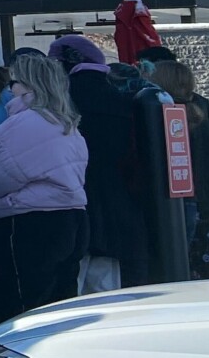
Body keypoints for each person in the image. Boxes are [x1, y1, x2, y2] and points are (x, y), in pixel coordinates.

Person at [0, 50, 89, 328]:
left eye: (14, 82)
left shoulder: (22, 125)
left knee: (19, 311)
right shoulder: (67, 124)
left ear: (29, 86)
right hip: (74, 217)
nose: (9, 89)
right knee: (61, 305)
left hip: (29, 223)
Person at [51, 35, 147, 293]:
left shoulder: (61, 101)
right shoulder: (123, 98)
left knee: (72, 289)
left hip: (75, 200)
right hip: (119, 200)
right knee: (107, 288)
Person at [148, 57, 209, 280]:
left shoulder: (163, 114)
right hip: (205, 198)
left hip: (179, 200)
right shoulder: (201, 110)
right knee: (202, 267)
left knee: (175, 268)